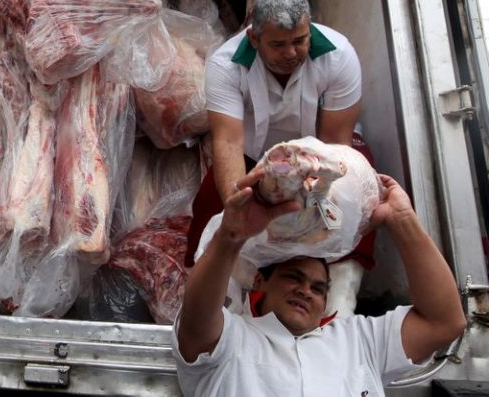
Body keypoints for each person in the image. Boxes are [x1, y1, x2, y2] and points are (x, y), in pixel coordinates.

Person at [173, 169, 467, 396]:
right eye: (293, 278)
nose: (306, 292)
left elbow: (445, 323)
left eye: (318, 288)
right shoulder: (230, 339)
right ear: (260, 281)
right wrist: (230, 237)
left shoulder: (359, 340)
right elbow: (196, 316)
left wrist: (402, 218)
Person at [186, 0, 367, 283]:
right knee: (209, 205)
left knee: (358, 202)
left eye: (299, 40)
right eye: (279, 44)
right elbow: (228, 141)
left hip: (321, 149)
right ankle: (198, 282)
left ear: (309, 28)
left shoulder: (340, 54)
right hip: (252, 153)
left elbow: (336, 141)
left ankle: (337, 285)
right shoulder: (225, 64)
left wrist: (319, 206)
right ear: (254, 39)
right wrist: (237, 208)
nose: (292, 53)